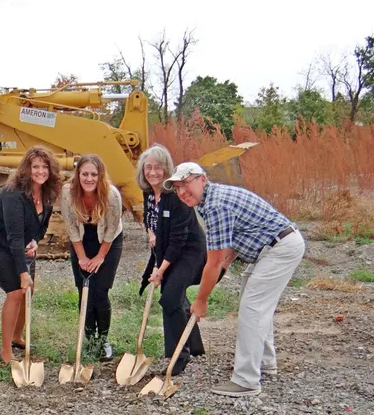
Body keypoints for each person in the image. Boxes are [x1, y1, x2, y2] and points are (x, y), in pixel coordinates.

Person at [165, 162, 305, 397]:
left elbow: (213, 262)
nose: (182, 191)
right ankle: (265, 363)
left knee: (253, 309)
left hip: (280, 248)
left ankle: (246, 380)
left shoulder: (215, 205)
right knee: (254, 306)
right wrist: (222, 267)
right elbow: (230, 245)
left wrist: (201, 301)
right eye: (177, 187)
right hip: (271, 248)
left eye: (186, 183)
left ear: (202, 179)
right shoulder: (209, 200)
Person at [0, 146, 62, 363]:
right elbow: (14, 237)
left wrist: (34, 241)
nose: (40, 171)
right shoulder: (13, 194)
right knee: (16, 291)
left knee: (28, 291)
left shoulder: (47, 192)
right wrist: (23, 272)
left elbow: (42, 226)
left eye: (45, 167)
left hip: (19, 243)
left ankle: (17, 337)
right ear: (27, 168)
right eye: (36, 167)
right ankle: (5, 351)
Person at [135, 144, 206, 376]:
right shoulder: (149, 194)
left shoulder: (175, 196)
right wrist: (151, 233)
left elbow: (178, 239)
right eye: (148, 168)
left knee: (170, 298)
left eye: (158, 167)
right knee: (175, 297)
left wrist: (160, 270)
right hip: (168, 250)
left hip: (189, 251)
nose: (153, 172)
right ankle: (195, 346)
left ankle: (178, 356)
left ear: (166, 169)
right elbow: (150, 219)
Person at [60, 154, 124, 361]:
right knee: (84, 289)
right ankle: (89, 339)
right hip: (82, 239)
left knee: (100, 290)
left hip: (108, 241)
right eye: (85, 174)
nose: (89, 179)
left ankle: (103, 340)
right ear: (77, 174)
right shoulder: (68, 192)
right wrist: (81, 257)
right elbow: (71, 226)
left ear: (100, 175)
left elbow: (111, 229)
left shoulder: (112, 195)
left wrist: (100, 257)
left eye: (94, 174)